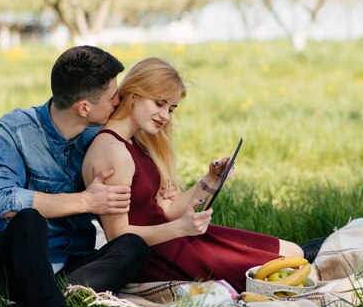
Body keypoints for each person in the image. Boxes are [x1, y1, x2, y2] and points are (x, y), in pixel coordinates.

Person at [82, 57, 324, 293]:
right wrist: (181, 228)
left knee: (293, 251)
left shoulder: (136, 143)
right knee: (301, 271)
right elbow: (117, 237)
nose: (165, 116)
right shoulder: (113, 151)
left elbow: (163, 210)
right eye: (159, 103)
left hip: (174, 239)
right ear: (134, 94)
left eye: (171, 108)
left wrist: (209, 181)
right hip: (158, 256)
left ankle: (315, 253)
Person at [0, 45, 149, 307]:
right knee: (30, 218)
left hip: (71, 264)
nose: (118, 101)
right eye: (112, 97)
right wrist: (84, 200)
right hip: (10, 268)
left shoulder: (97, 138)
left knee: (133, 246)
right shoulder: (15, 130)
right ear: (84, 107)